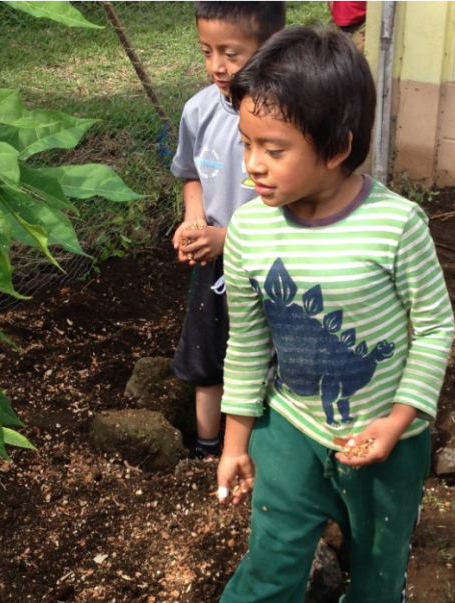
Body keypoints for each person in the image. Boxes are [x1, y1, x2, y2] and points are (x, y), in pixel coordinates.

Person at [215, 26, 455, 602]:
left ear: (337, 147)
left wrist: (397, 421)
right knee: (270, 566)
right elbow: (247, 344)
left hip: (387, 445)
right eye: (246, 143)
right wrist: (234, 443)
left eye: (274, 150)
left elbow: (434, 327)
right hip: (290, 428)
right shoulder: (248, 229)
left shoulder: (396, 226)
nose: (254, 166)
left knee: (378, 574)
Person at [170, 1, 286, 460]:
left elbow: (289, 206)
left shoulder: (280, 116)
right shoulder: (198, 111)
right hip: (213, 261)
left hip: (268, 263)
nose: (217, 66)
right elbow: (191, 174)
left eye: (231, 53)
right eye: (206, 51)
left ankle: (260, 449)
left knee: (262, 356)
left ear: (269, 48)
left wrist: (229, 238)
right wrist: (194, 220)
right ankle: (206, 449)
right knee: (208, 354)